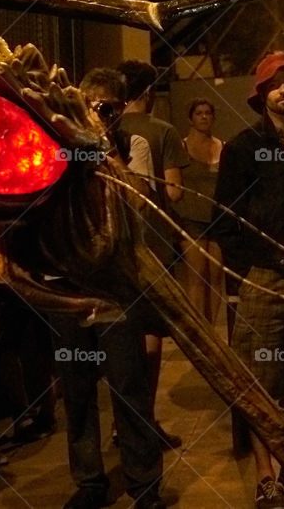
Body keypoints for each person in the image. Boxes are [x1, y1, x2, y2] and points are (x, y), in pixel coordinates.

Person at [49, 68, 164, 509]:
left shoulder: (131, 146)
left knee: (128, 386)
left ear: (120, 110)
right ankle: (90, 481)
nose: (98, 115)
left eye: (106, 108)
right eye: (90, 105)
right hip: (65, 286)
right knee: (77, 390)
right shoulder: (58, 142)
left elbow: (139, 202)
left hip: (116, 288)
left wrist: (105, 153)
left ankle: (144, 483)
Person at [211, 52, 284, 509]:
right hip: (263, 279)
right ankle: (266, 477)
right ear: (261, 94)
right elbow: (222, 221)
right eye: (275, 84)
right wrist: (253, 268)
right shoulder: (242, 147)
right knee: (258, 383)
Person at [115, 60, 188, 451]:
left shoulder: (103, 131)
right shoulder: (163, 131)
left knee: (119, 334)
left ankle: (121, 421)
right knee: (150, 334)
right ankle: (145, 418)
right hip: (154, 244)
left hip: (114, 248)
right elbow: (174, 192)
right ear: (148, 94)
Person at [174, 99, 224, 321]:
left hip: (216, 217)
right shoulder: (181, 146)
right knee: (196, 275)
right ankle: (197, 328)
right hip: (190, 217)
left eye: (208, 113)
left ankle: (211, 328)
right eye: (199, 113)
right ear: (191, 119)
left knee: (215, 275)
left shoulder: (222, 146)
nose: (204, 117)